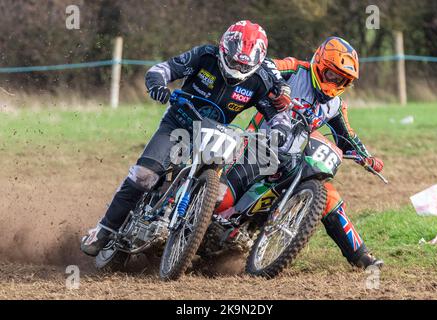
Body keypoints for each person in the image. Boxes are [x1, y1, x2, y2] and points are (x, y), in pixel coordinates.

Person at [80, 20, 292, 256]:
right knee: (144, 176)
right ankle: (103, 229)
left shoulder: (259, 81)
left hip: (216, 134)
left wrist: (280, 130)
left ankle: (195, 236)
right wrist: (157, 85)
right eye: (233, 61)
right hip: (179, 123)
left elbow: (278, 113)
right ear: (224, 49)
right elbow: (161, 69)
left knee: (218, 191)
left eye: (244, 66)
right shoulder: (204, 56)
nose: (237, 69)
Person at [216, 37, 384, 269]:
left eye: (342, 79)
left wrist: (367, 158)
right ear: (319, 63)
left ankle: (361, 256)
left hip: (294, 158)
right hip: (260, 144)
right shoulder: (296, 70)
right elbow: (265, 64)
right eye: (331, 74)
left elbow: (346, 138)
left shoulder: (335, 105)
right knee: (222, 198)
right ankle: (181, 224)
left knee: (327, 195)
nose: (335, 82)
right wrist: (278, 89)